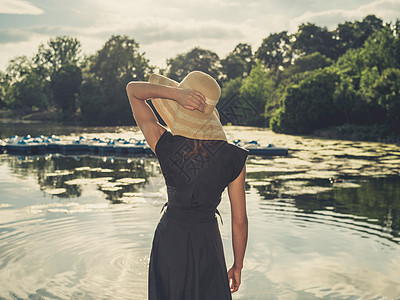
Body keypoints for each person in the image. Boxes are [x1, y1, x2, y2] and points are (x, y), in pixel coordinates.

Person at [126, 71, 248, 300]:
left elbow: (133, 90)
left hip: (170, 239)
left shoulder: (165, 143)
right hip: (207, 242)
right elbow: (239, 221)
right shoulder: (234, 159)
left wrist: (175, 94)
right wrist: (237, 266)